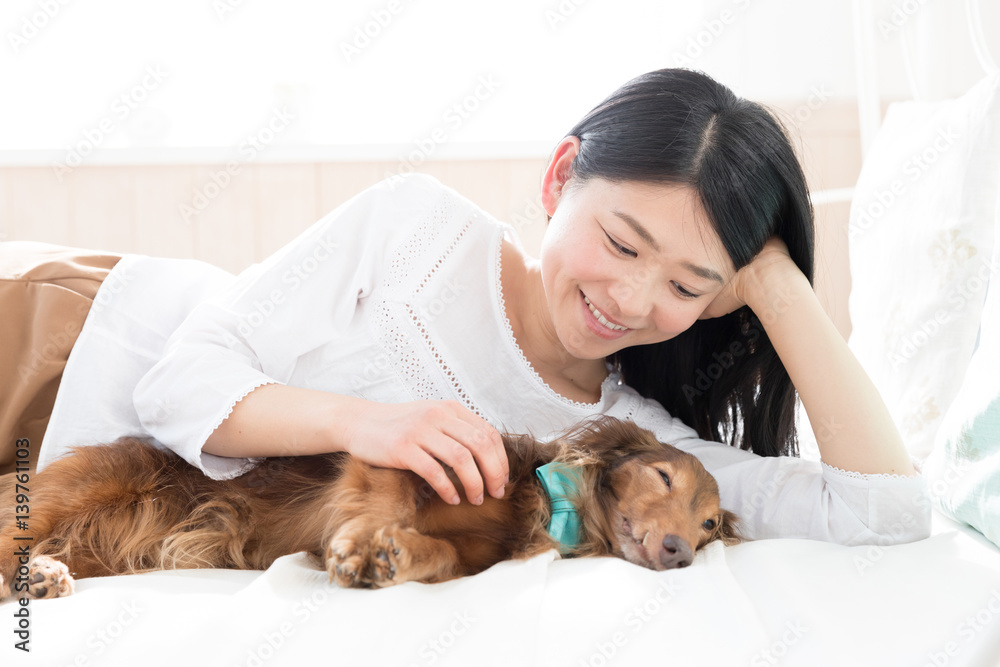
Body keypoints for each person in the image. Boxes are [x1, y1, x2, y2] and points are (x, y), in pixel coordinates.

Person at [7, 68, 929, 544]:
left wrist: (775, 283)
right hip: (66, 341)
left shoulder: (633, 450)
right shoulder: (420, 228)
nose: (632, 298)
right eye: (620, 243)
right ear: (561, 176)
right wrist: (368, 424)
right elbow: (179, 385)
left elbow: (885, 516)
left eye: (691, 286)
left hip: (67, 501)